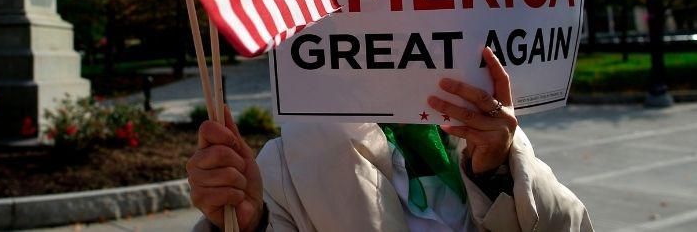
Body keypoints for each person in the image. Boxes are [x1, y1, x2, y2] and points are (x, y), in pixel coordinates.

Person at [187, 46, 593, 231]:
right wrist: (245, 227)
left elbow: (569, 224)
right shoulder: (286, 167)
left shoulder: (480, 130)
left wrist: (500, 171)